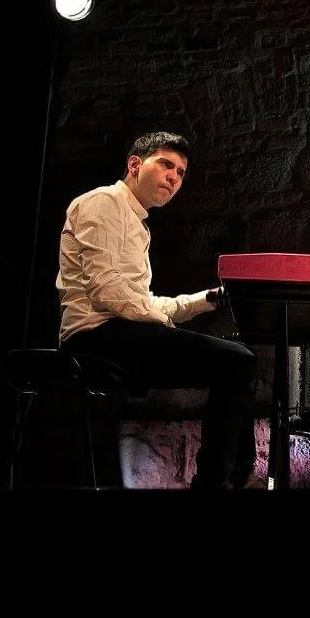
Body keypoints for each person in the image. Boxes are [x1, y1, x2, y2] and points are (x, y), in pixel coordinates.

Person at [57, 130, 261, 490]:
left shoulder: (137, 223)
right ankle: (220, 481)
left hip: (121, 331)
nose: (174, 177)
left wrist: (210, 298)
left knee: (238, 361)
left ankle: (235, 477)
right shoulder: (103, 203)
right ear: (135, 164)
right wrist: (163, 323)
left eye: (181, 173)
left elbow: (140, 300)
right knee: (237, 362)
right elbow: (108, 293)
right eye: (166, 165)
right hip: (95, 337)